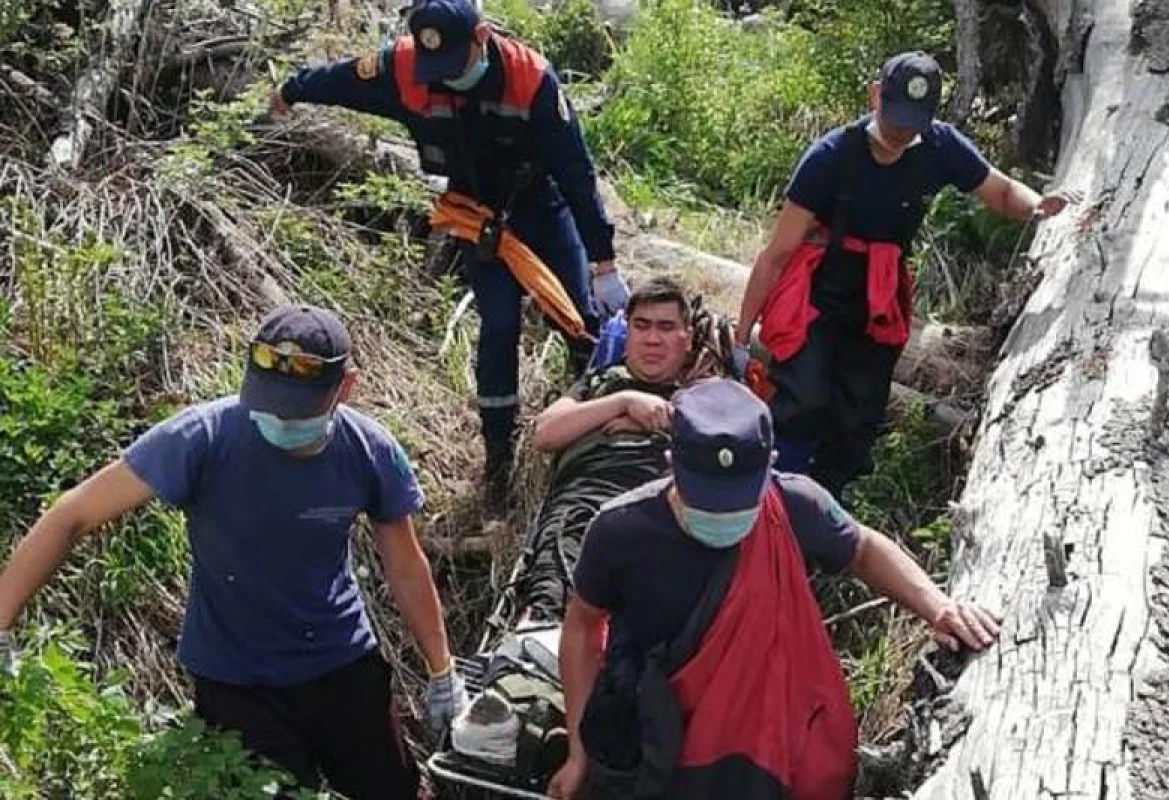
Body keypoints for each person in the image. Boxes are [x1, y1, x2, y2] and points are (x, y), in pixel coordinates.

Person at [0, 304, 466, 800]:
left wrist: (442, 672)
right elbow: (70, 515)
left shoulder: (369, 451)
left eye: (298, 407)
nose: (281, 419)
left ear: (344, 388)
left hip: (340, 665)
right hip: (237, 683)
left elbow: (406, 567)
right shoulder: (202, 438)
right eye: (269, 403)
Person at [548, 379, 1002, 799]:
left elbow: (862, 547)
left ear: (770, 464)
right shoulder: (620, 529)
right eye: (706, 500)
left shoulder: (791, 504)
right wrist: (578, 752)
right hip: (652, 742)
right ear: (671, 462)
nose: (723, 517)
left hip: (764, 745)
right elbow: (583, 630)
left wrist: (937, 607)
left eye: (737, 503)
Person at [267, 0, 628, 509]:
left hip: (540, 208)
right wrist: (292, 88)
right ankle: (499, 460)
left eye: (456, 62)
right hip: (475, 218)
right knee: (499, 327)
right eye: (439, 67)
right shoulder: (408, 69)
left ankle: (589, 438)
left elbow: (576, 173)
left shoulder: (529, 79)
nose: (447, 77)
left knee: (580, 322)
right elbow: (344, 80)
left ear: (482, 36)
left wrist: (604, 261)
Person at [734, 50, 1076, 499]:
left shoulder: (940, 146)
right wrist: (741, 336)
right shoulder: (831, 157)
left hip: (879, 293)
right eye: (894, 118)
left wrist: (1037, 207)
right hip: (819, 289)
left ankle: (822, 506)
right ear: (875, 95)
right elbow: (777, 253)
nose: (900, 132)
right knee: (805, 399)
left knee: (860, 414)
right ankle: (770, 496)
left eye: (913, 122)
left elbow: (1001, 190)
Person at [515, 276, 701, 624]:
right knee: (554, 596)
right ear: (627, 332)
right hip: (582, 504)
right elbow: (545, 434)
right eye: (641, 326)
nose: (652, 339)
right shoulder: (598, 384)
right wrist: (622, 403)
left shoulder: (700, 398)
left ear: (686, 337)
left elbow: (730, 453)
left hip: (660, 512)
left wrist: (660, 421)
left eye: (666, 327)